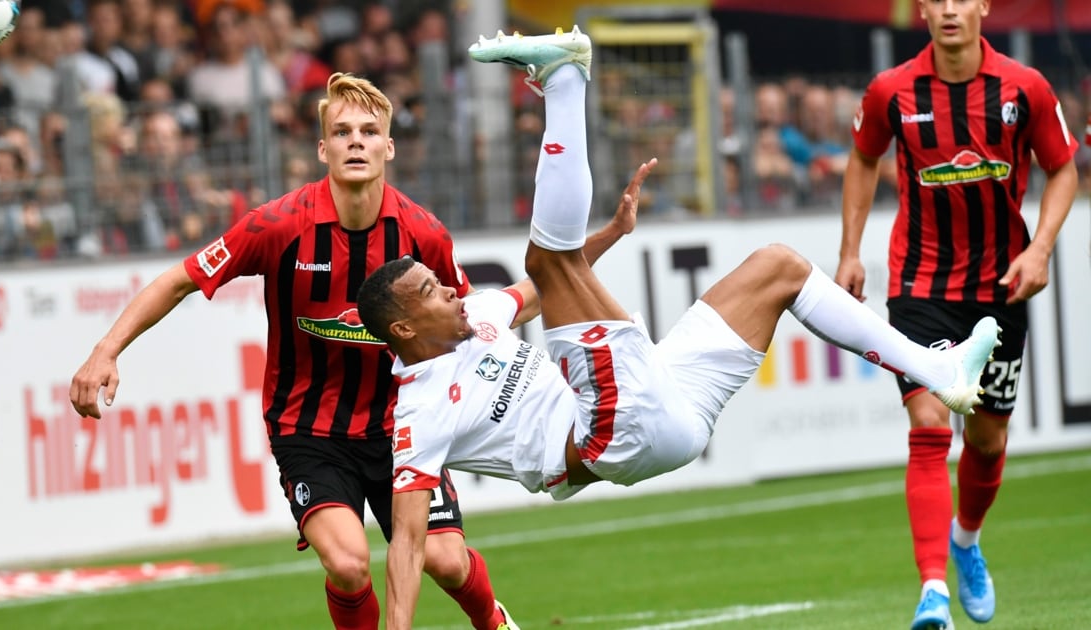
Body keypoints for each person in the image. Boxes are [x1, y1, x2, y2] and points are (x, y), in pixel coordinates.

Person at [354, 28, 1002, 630]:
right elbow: (409, 542)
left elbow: (529, 296)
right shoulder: (419, 408)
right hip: (609, 433)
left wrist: (610, 234)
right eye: (432, 293)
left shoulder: (476, 319)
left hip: (668, 399)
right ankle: (564, 81)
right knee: (548, 259)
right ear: (406, 327)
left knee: (779, 266)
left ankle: (936, 371)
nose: (451, 290)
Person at [71, 72, 519, 630]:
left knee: (446, 560)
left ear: (389, 146)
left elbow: (464, 319)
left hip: (401, 422)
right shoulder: (279, 225)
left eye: (369, 131)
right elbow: (180, 279)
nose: (356, 141)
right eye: (342, 131)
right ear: (322, 147)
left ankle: (493, 622)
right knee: (350, 565)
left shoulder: (422, 233)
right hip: (309, 432)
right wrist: (105, 351)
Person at [834, 1, 1079, 628]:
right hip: (920, 288)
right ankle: (933, 593)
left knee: (988, 439)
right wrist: (849, 252)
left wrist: (1040, 248)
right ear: (921, 10)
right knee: (928, 420)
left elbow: (1062, 169)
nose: (949, 8)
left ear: (983, 7)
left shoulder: (1024, 87)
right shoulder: (892, 90)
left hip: (1001, 288)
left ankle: (965, 540)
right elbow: (863, 159)